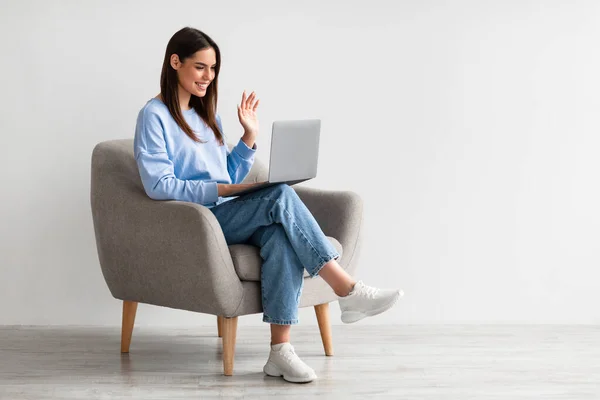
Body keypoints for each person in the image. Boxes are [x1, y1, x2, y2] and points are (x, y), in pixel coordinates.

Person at [133, 26, 403, 384]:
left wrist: (248, 138)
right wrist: (224, 190)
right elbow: (158, 185)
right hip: (200, 220)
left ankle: (280, 352)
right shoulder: (154, 116)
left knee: (279, 233)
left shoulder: (206, 115)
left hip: (224, 209)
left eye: (213, 69)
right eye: (200, 67)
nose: (208, 77)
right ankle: (346, 289)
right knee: (279, 196)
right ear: (175, 62)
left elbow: (226, 171)